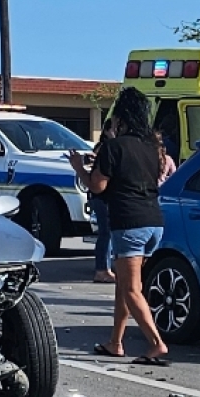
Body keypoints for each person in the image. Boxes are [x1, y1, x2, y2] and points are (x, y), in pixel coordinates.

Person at [70, 86, 171, 366]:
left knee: (130, 289)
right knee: (125, 287)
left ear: (121, 117)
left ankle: (156, 343)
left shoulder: (113, 148)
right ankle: (115, 342)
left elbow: (98, 186)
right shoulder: (153, 148)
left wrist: (79, 167)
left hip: (128, 224)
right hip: (154, 222)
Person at [90, 119, 117, 284]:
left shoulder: (109, 147)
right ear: (106, 131)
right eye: (113, 128)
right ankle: (102, 269)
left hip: (105, 196)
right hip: (101, 197)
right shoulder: (104, 148)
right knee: (105, 233)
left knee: (109, 233)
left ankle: (105, 267)